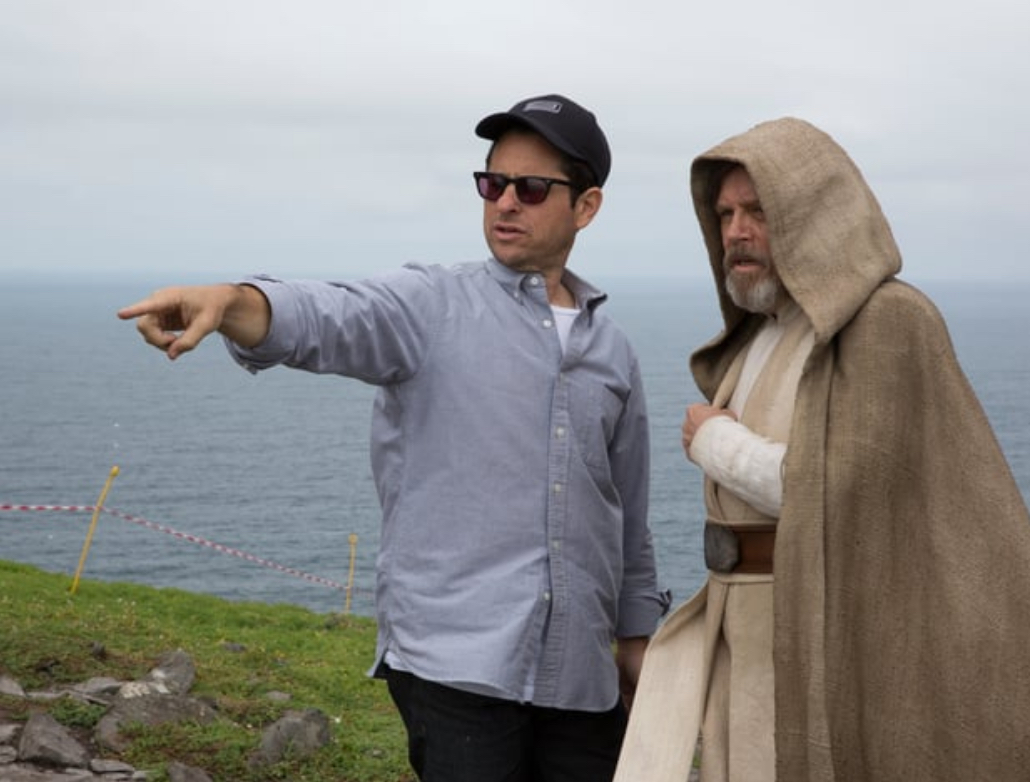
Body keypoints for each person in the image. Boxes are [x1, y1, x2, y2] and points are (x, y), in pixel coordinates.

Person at [118, 94, 669, 782]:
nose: (504, 203)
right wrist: (232, 303)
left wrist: (637, 639)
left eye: (531, 188)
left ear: (586, 207)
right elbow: (330, 316)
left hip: (581, 680)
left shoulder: (612, 352)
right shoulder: (429, 305)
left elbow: (628, 516)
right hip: (455, 669)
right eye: (492, 183)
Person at [614, 117, 1030, 782]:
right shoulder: (760, 335)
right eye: (724, 214)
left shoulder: (888, 322)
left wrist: (715, 441)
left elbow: (839, 493)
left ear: (813, 215)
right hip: (739, 627)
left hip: (821, 630)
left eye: (757, 211)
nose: (735, 233)